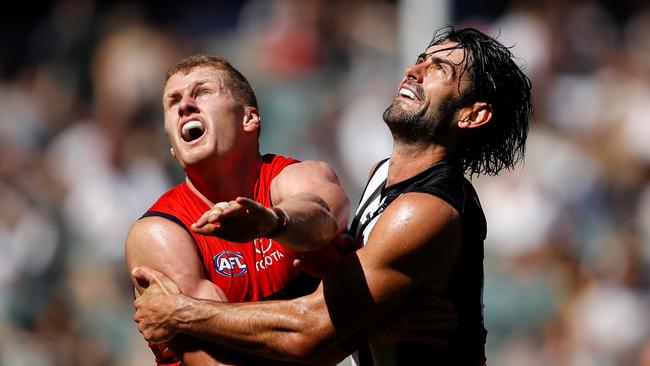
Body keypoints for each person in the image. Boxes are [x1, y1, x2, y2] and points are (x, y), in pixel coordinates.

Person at [132, 26, 532, 365]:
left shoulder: (424, 211)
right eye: (421, 60)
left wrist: (181, 313)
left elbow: (309, 327)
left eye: (438, 69)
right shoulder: (381, 177)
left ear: (472, 115)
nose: (413, 70)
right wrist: (367, 323)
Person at [124, 54, 354, 365]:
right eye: (173, 101)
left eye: (203, 92)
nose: (185, 106)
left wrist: (273, 223)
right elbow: (223, 362)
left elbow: (321, 219)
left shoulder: (300, 177)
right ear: (172, 149)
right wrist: (356, 324)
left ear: (250, 118)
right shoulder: (160, 234)